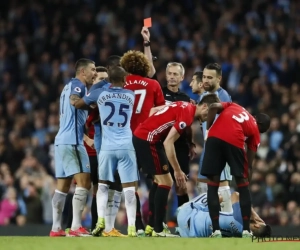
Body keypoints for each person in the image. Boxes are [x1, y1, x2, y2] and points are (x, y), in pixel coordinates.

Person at [133, 94, 221, 237]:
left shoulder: (184, 105)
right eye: (211, 112)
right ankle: (158, 230)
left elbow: (154, 111)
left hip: (144, 135)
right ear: (205, 106)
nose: (210, 117)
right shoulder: (187, 115)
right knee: (166, 181)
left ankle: (154, 226)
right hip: (148, 139)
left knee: (159, 181)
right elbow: (168, 143)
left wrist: (150, 124)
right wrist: (178, 171)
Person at [75, 66, 139, 237]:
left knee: (102, 186)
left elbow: (80, 104)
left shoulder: (100, 94)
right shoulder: (130, 95)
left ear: (109, 79)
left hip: (107, 147)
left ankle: (100, 220)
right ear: (124, 80)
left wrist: (92, 97)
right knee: (129, 188)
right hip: (126, 145)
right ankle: (132, 226)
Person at [200, 101, 271, 237]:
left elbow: (213, 106)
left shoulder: (235, 105)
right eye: (264, 130)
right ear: (261, 125)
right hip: (234, 140)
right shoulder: (255, 130)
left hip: (213, 138)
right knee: (243, 186)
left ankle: (216, 231)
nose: (262, 133)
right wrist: (245, 180)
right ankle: (246, 230)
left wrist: (208, 130)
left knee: (212, 187)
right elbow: (249, 164)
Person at [49, 58, 97, 237]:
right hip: (73, 142)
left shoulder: (67, 86)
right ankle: (76, 226)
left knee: (62, 186)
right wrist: (91, 103)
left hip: (61, 141)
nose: (94, 73)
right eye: (92, 70)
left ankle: (56, 228)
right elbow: (74, 100)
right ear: (83, 72)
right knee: (84, 182)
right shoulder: (78, 85)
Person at [64, 66, 109, 234]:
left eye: (106, 79)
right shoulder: (86, 100)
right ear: (94, 80)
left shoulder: (106, 100)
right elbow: (75, 124)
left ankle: (97, 227)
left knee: (100, 189)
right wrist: (87, 139)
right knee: (82, 188)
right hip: (86, 151)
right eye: (100, 79)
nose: (103, 82)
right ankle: (71, 225)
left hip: (102, 152)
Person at [197, 63, 233, 214]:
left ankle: (227, 218)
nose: (205, 80)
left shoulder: (222, 96)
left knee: (222, 183)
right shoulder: (204, 95)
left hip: (220, 148)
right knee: (204, 184)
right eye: (204, 77)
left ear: (219, 79)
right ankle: (207, 221)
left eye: (210, 78)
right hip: (208, 147)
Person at [161, 62, 195, 215]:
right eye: (170, 73)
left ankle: (184, 221)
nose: (172, 77)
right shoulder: (159, 94)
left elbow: (187, 125)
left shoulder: (186, 98)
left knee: (181, 186)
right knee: (160, 185)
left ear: (182, 77)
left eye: (175, 74)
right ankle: (157, 224)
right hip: (161, 144)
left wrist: (191, 143)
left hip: (180, 145)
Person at [177, 192, 272, 238]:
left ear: (257, 225)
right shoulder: (243, 237)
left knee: (218, 196)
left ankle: (180, 208)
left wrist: (255, 215)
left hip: (186, 215)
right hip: (190, 235)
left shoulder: (242, 220)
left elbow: (235, 195)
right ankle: (180, 230)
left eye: (260, 221)